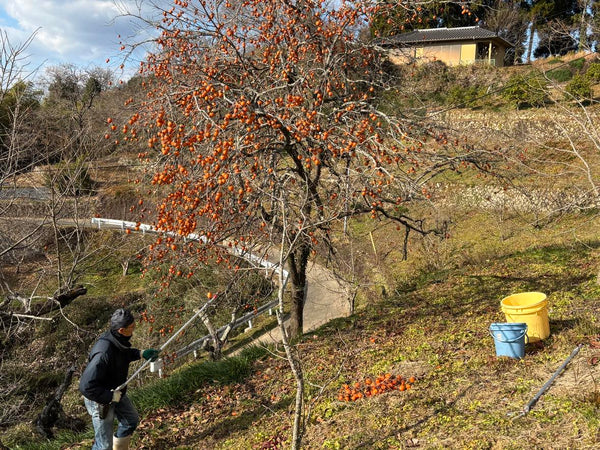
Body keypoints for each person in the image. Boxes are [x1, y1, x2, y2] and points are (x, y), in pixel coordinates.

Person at [79, 308, 160, 450]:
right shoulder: (103, 353)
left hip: (116, 391)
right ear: (122, 330)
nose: (134, 330)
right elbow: (86, 386)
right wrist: (110, 396)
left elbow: (123, 354)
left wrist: (141, 353)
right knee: (104, 445)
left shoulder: (117, 339)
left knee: (130, 421)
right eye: (132, 327)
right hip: (99, 399)